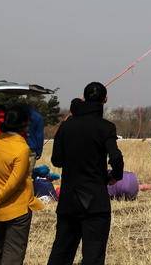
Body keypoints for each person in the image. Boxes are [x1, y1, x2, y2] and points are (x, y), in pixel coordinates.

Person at [46, 82, 124, 265]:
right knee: (93, 255)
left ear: (84, 97)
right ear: (105, 99)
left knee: (61, 252)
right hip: (96, 202)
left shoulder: (66, 126)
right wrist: (115, 176)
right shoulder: (106, 127)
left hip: (68, 200)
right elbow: (116, 157)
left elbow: (56, 160)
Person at [0, 104, 39, 265]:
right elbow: (14, 184)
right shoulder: (22, 149)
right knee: (13, 253)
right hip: (17, 210)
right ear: (24, 124)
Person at [27, 106, 45, 170]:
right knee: (28, 175)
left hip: (17, 147)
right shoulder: (38, 117)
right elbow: (39, 136)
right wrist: (39, 151)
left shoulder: (19, 115)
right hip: (32, 149)